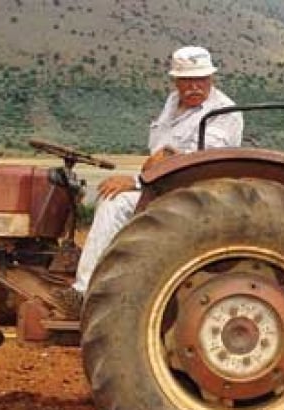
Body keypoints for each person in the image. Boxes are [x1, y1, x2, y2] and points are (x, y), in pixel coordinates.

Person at [55, 45, 243, 317]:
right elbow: (161, 154)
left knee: (115, 203)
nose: (194, 86)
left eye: (201, 79)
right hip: (164, 185)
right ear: (175, 80)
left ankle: (84, 293)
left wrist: (138, 181)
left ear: (211, 78)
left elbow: (196, 163)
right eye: (187, 80)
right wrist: (155, 166)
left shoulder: (223, 112)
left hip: (194, 191)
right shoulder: (172, 103)